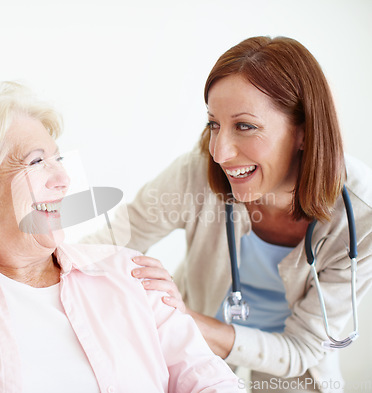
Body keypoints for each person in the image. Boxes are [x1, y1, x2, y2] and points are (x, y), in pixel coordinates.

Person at [0, 82, 244, 392]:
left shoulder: (130, 274)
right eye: (36, 163)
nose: (63, 180)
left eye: (58, 160)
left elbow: (207, 380)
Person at [83, 36, 372, 393]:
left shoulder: (361, 219)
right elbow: (111, 240)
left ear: (303, 131)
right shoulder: (196, 172)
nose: (219, 152)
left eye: (245, 126)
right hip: (197, 356)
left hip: (295, 375)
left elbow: (301, 349)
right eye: (213, 124)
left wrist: (187, 319)